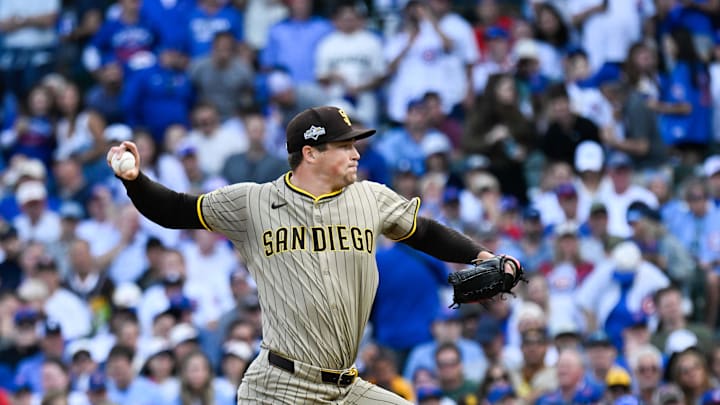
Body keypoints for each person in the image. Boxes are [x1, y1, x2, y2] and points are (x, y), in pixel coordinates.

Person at [106, 105, 522, 403]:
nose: (356, 153)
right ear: (311, 153)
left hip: (344, 385)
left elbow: (424, 231)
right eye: (345, 145)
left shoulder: (370, 198)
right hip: (279, 388)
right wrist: (135, 181)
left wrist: (481, 255)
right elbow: (174, 210)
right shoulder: (254, 203)